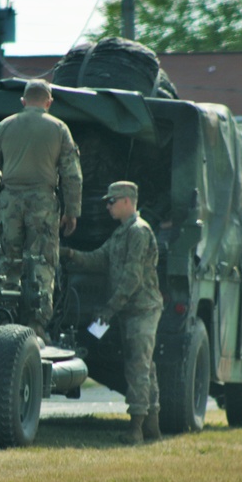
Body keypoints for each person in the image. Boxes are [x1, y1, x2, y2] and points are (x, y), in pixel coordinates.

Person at [0, 78, 83, 346]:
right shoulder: (59, 128)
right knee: (42, 263)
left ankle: (5, 321)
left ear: (23, 101)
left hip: (9, 201)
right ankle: (37, 326)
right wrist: (72, 211)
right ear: (49, 102)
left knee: (8, 261)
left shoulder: (4, 126)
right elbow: (72, 175)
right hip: (43, 202)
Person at [62, 181, 163, 444]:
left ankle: (137, 429)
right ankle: (152, 429)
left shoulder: (138, 232)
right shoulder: (121, 234)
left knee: (138, 368)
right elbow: (99, 259)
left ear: (127, 201)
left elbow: (132, 278)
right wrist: (71, 254)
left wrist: (110, 308)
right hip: (130, 311)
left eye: (112, 201)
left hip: (142, 310)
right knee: (145, 368)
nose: (107, 206)